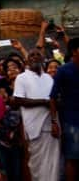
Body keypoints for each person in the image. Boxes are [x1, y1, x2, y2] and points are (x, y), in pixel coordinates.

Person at [13, 48, 60, 181]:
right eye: (31, 55)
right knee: (37, 164)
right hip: (34, 127)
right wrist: (43, 102)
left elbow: (54, 101)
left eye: (38, 55)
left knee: (53, 163)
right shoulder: (21, 78)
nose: (34, 57)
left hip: (51, 125)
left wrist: (54, 121)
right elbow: (18, 100)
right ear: (27, 60)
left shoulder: (49, 78)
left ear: (43, 58)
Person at [51, 37, 79, 181]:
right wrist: (54, 121)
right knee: (72, 158)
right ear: (74, 51)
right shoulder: (63, 70)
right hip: (71, 122)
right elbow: (53, 97)